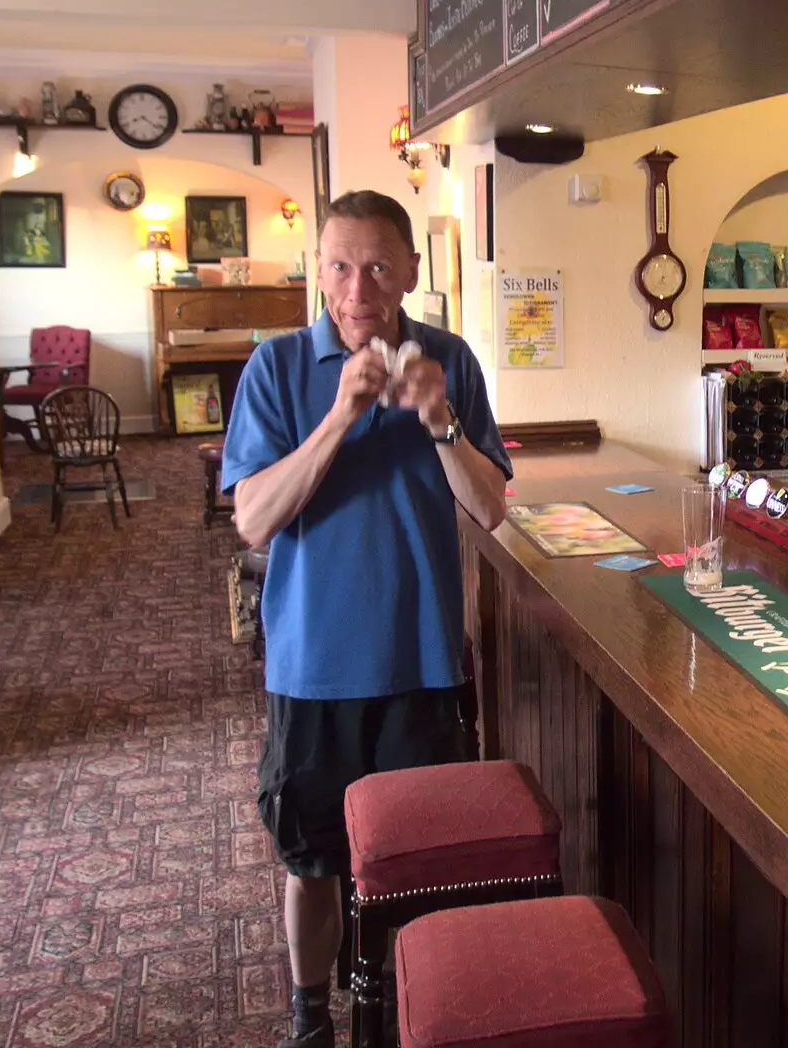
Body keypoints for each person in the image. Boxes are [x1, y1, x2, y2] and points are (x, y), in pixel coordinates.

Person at [222, 190, 513, 1047]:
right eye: (341, 266)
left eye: (380, 266)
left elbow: (491, 509)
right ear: (318, 270)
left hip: (424, 662)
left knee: (412, 869)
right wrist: (341, 416)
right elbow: (253, 518)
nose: (358, 289)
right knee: (312, 863)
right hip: (312, 669)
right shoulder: (275, 369)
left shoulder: (451, 361)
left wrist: (438, 422)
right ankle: (311, 1016)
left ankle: (389, 1009)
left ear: (411, 273)